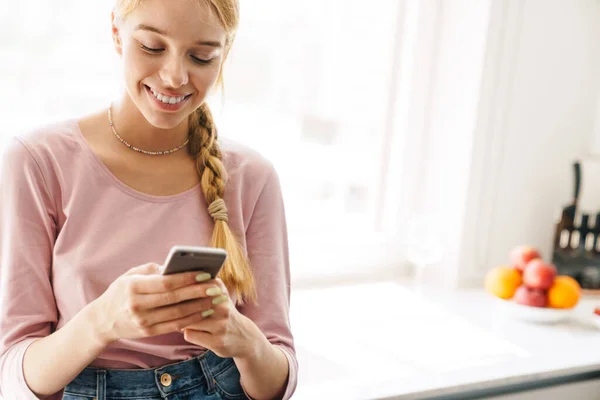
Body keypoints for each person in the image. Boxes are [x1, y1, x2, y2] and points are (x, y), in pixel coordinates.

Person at [0, 0, 297, 399]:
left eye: (202, 56)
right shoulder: (38, 162)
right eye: (153, 48)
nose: (175, 76)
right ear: (116, 33)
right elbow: (14, 373)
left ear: (225, 53)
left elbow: (276, 382)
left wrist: (242, 339)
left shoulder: (253, 177)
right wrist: (103, 320)